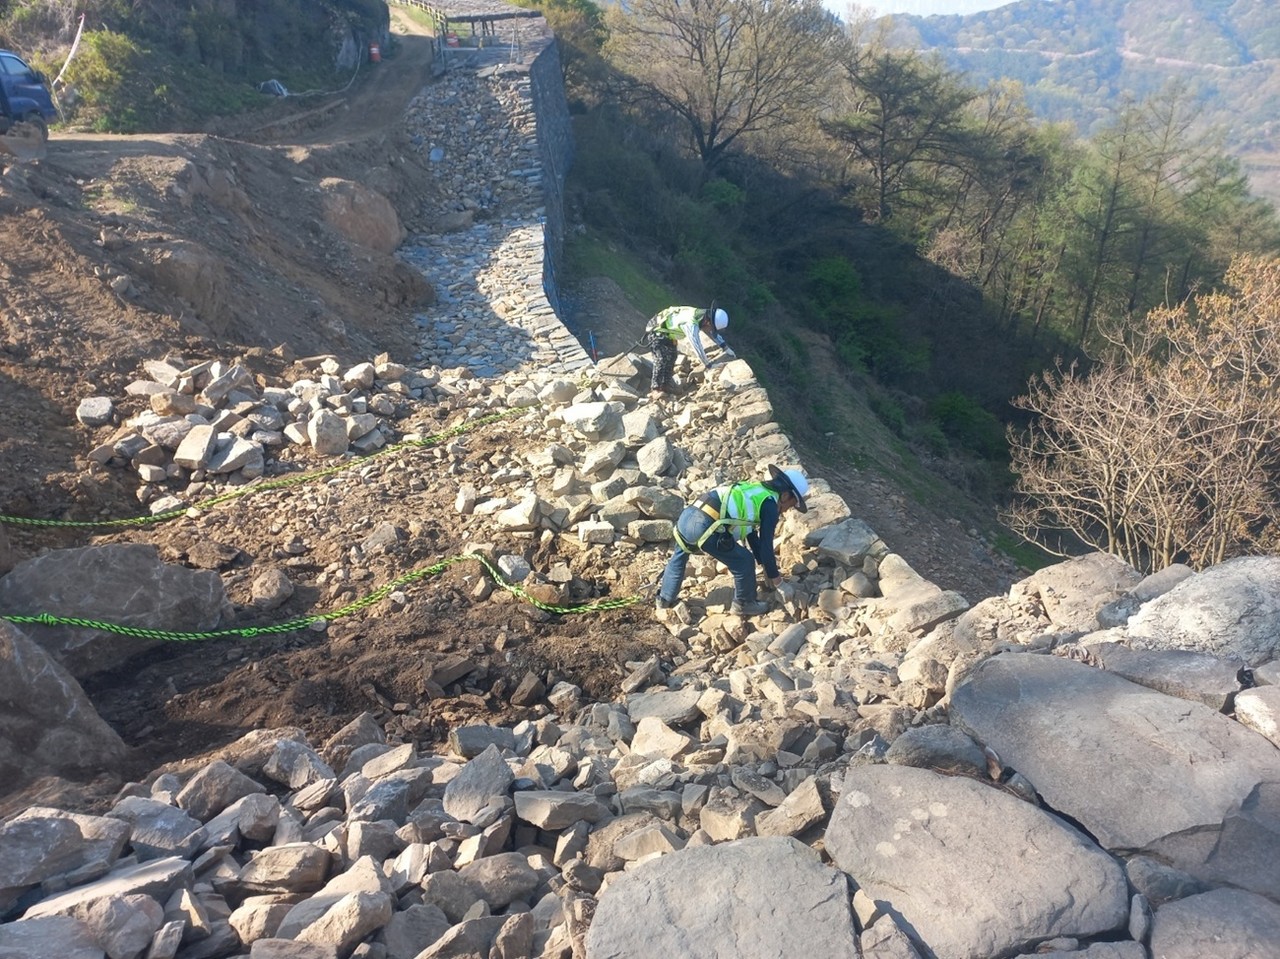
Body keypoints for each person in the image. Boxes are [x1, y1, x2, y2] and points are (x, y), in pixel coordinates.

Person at [656, 465, 809, 617]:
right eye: (792, 503)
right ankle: (744, 604)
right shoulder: (770, 504)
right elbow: (766, 545)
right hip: (705, 525)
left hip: (688, 516)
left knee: (680, 554)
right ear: (785, 495)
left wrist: (767, 568)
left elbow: (752, 535)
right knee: (744, 562)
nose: (789, 509)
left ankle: (665, 599)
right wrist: (778, 582)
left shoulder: (755, 489)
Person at [643, 304, 730, 394]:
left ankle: (665, 385)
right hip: (656, 330)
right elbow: (697, 346)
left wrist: (724, 346)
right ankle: (656, 388)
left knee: (672, 356)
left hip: (666, 330)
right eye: (710, 328)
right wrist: (709, 365)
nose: (710, 330)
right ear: (708, 323)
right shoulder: (690, 324)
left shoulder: (702, 316)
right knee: (662, 358)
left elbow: (713, 333)